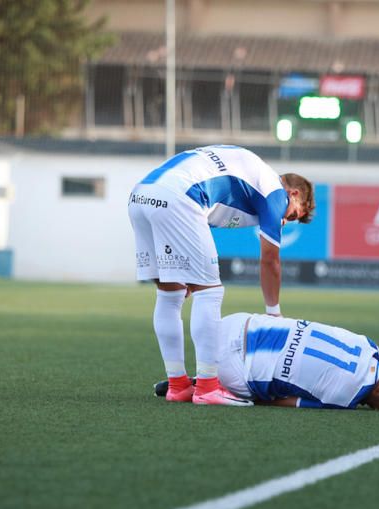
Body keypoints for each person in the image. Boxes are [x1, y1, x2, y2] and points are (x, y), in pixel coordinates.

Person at [129, 145, 315, 406]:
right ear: (294, 194)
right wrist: (274, 313)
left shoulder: (254, 176)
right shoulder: (276, 192)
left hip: (142, 194)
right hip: (180, 196)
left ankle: (178, 385)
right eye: (293, 214)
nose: (286, 220)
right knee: (211, 292)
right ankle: (206, 387)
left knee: (171, 294)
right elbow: (270, 259)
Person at [154, 312, 379, 412]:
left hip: (236, 322)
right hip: (232, 367)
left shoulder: (370, 346)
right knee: (264, 393)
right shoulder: (346, 396)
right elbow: (284, 402)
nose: (376, 409)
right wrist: (251, 401)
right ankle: (205, 386)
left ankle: (197, 379)